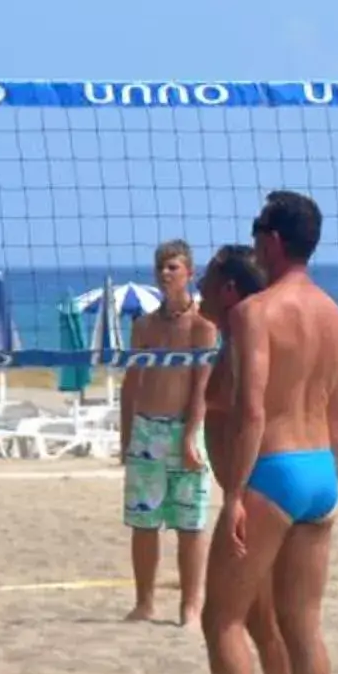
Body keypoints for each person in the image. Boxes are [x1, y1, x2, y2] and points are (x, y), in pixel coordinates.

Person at [197, 191, 338, 674]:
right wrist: (328, 485)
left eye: (258, 228)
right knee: (303, 625)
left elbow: (252, 409)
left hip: (274, 469)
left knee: (223, 620)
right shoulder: (335, 315)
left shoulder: (255, 312)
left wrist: (236, 493)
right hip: (320, 473)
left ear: (273, 241)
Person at [119, 239, 213, 626]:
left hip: (184, 430)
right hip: (147, 430)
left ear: (189, 272)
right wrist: (125, 437)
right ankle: (144, 603)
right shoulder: (144, 325)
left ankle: (190, 606)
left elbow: (202, 388)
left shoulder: (203, 327)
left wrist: (191, 435)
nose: (164, 273)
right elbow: (131, 383)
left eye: (173, 267)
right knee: (144, 523)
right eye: (160, 267)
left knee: (189, 524)